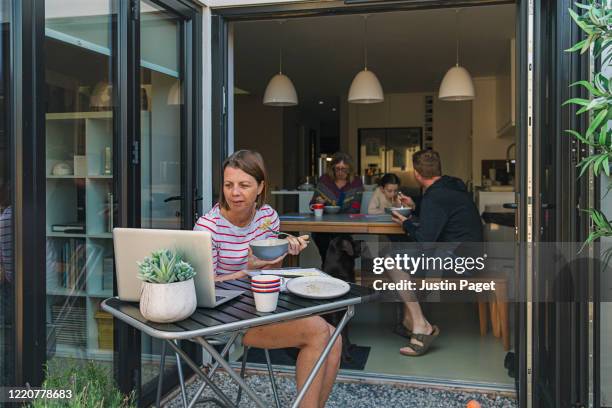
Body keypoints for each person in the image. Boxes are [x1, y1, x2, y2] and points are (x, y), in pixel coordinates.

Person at [194, 150, 342, 408]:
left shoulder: (267, 217)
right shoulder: (208, 228)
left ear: (261, 186)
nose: (235, 192)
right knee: (320, 330)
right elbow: (204, 287)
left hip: (265, 307)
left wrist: (285, 249)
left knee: (335, 336)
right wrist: (246, 271)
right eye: (229, 185)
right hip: (226, 318)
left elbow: (271, 271)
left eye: (244, 185)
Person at [389, 150, 483, 357]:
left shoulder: (435, 196)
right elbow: (441, 218)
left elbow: (425, 241)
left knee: (392, 262)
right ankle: (408, 320)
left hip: (461, 261)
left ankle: (421, 325)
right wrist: (416, 207)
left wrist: (406, 223)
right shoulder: (451, 186)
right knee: (405, 258)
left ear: (416, 173)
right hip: (471, 255)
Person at [310, 152, 364, 264]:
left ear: (350, 169)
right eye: (337, 169)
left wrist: (341, 215)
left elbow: (356, 207)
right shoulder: (324, 180)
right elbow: (312, 205)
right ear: (332, 168)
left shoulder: (356, 182)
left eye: (344, 169)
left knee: (343, 252)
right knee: (325, 250)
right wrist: (319, 203)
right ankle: (328, 271)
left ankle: (340, 276)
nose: (340, 172)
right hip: (324, 226)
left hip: (345, 226)